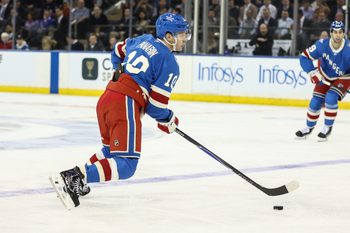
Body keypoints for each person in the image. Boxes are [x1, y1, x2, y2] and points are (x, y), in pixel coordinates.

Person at [49, 13, 191, 209]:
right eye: (182, 34)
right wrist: (169, 120)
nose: (185, 38)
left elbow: (116, 51)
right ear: (168, 36)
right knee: (126, 165)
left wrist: (120, 71)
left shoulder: (143, 40)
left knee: (111, 151)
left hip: (108, 96)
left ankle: (79, 181)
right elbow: (156, 107)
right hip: (124, 103)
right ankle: (74, 176)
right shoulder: (169, 62)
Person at [295, 21, 350, 141]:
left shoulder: (348, 49)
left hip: (343, 77)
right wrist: (312, 72)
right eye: (335, 32)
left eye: (340, 32)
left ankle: (327, 127)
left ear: (343, 34)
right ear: (331, 33)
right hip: (324, 75)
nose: (337, 35)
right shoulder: (321, 45)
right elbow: (304, 57)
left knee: (331, 97)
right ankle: (308, 128)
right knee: (315, 102)